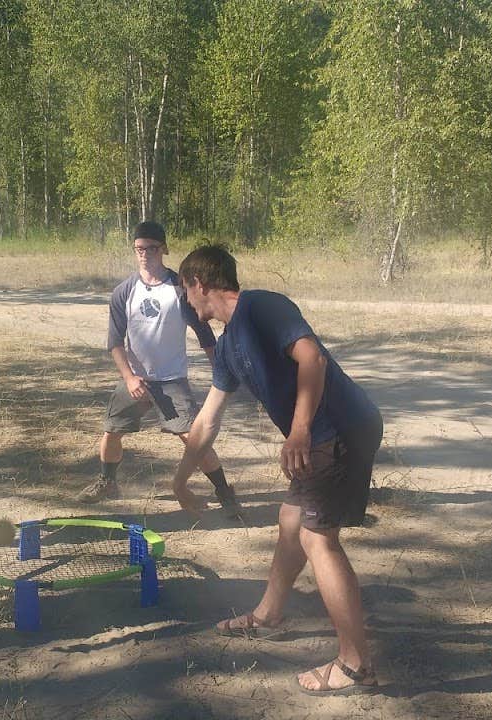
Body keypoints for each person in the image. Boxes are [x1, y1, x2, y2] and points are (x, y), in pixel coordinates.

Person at [168, 244, 384, 695]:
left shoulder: (262, 306)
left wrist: (299, 430)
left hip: (341, 427)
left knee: (315, 536)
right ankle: (269, 615)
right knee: (291, 520)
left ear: (199, 283)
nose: (187, 302)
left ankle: (356, 662)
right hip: (321, 435)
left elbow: (312, 358)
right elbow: (207, 420)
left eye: (187, 291)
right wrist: (181, 479)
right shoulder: (227, 346)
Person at [76, 221, 243, 518]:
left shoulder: (180, 288)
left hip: (171, 381)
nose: (144, 254)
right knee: (111, 431)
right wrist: (128, 378)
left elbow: (204, 334)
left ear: (163, 249)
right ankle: (107, 482)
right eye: (139, 249)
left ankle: (224, 492)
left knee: (194, 439)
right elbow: (115, 341)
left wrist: (222, 372)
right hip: (136, 381)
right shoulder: (123, 292)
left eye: (151, 248)